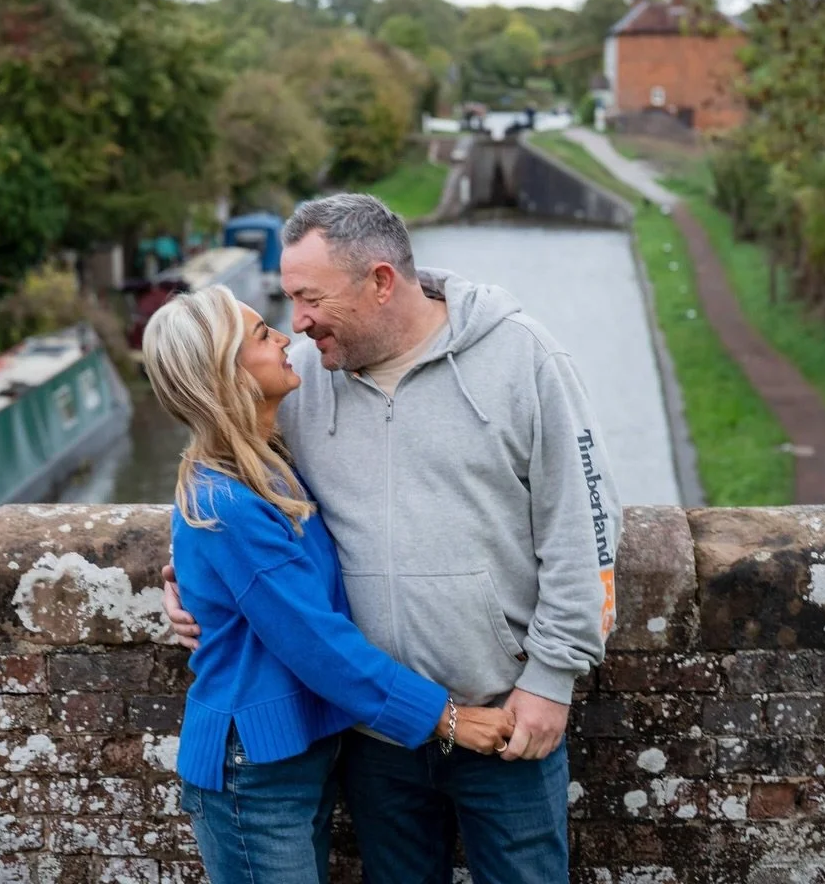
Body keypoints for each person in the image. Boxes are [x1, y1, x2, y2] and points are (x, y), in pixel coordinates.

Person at [164, 193, 622, 884]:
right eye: (284, 306)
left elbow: (584, 530)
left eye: (308, 297)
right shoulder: (304, 379)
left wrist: (552, 681)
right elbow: (230, 491)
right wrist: (182, 582)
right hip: (374, 739)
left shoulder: (522, 357)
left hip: (506, 718)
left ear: (379, 280)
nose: (298, 323)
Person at [142, 285, 516, 884]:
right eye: (263, 335)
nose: (286, 337)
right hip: (254, 774)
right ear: (226, 373)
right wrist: (448, 719)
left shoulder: (267, 467)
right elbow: (318, 644)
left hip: (296, 760)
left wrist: (189, 583)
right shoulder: (228, 501)